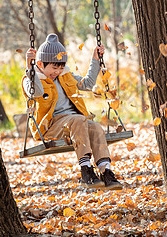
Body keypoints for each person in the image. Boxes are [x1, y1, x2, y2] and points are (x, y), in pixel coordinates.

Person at [22, 33, 123, 190]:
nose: (57, 71)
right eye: (54, 68)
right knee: (78, 120)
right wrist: (30, 68)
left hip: (76, 124)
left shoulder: (66, 76)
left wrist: (95, 59)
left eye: (61, 67)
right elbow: (37, 92)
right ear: (40, 64)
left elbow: (88, 84)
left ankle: (106, 171)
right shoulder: (30, 80)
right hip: (51, 126)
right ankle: (86, 171)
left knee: (95, 127)